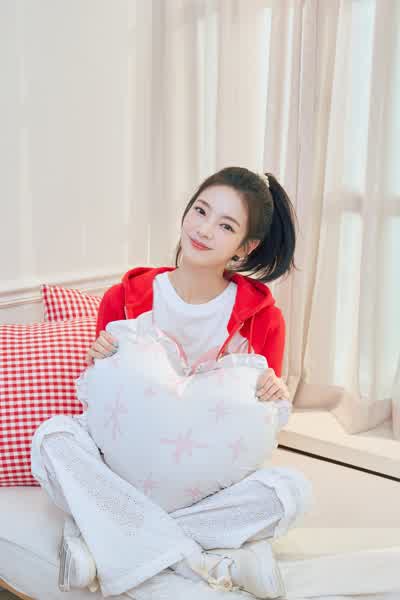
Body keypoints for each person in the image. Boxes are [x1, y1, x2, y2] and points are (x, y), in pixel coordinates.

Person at [31, 166, 314, 599]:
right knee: (53, 438)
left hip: (203, 482)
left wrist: (274, 394)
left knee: (291, 492)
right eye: (200, 211)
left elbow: (258, 422)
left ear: (246, 247)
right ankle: (206, 560)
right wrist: (99, 362)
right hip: (122, 468)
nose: (204, 229)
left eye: (226, 226)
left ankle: (102, 544)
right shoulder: (124, 299)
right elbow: (102, 400)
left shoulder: (264, 321)